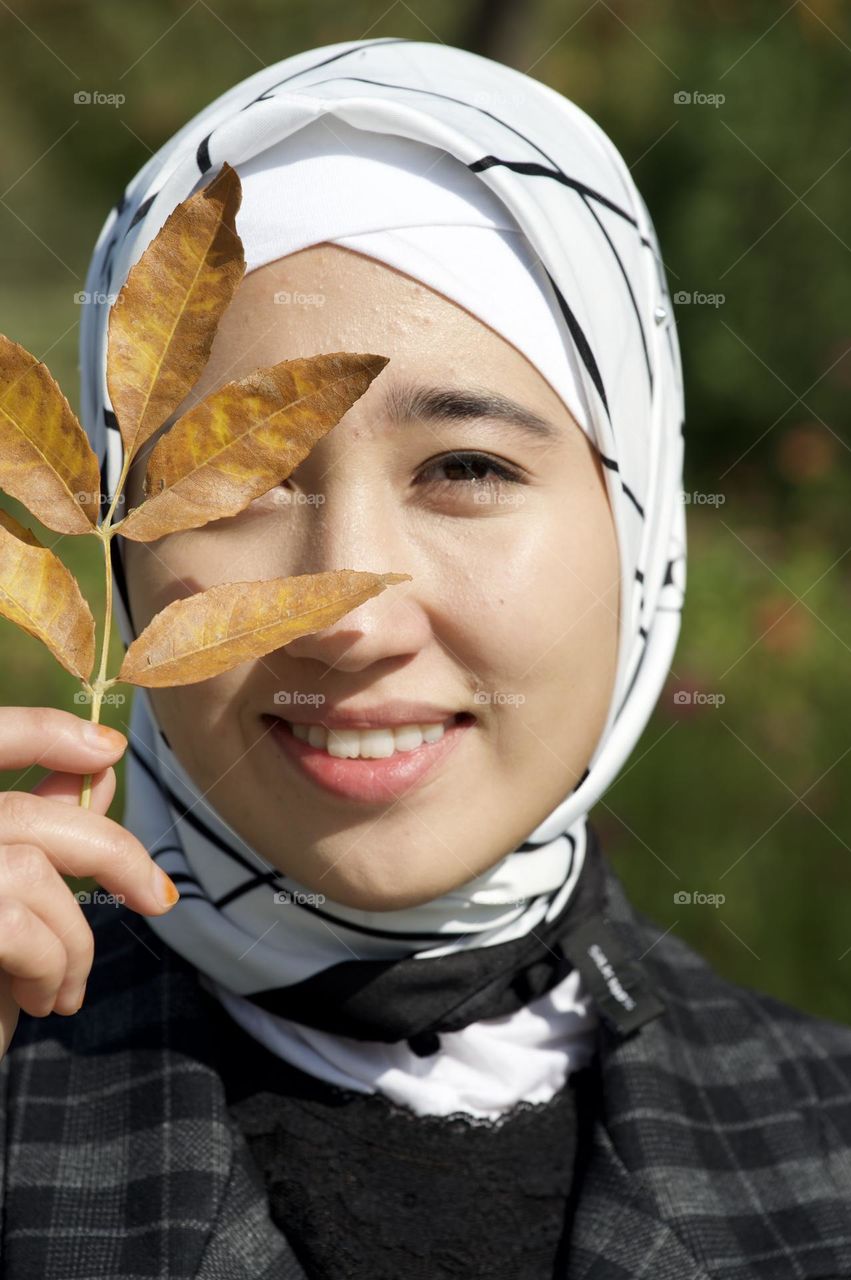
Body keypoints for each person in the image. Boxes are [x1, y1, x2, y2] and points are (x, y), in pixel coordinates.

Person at [0, 35, 849, 1280]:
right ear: (124, 555)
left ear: (638, 523)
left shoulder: (820, 1148)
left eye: (465, 469)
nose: (350, 614)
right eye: (238, 481)